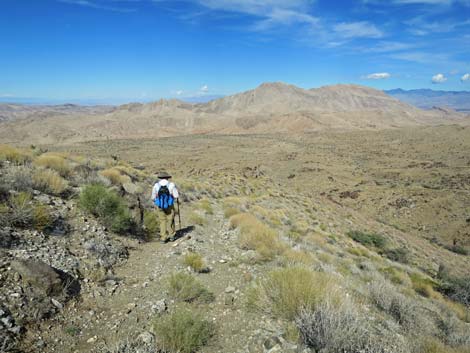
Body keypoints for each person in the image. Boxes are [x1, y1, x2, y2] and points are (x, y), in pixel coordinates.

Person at [151, 171, 179, 243]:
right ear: (167, 178)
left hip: (159, 205)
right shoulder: (171, 185)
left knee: (162, 221)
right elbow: (176, 196)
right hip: (169, 205)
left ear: (160, 178)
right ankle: (172, 236)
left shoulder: (156, 185)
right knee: (170, 219)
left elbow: (153, 197)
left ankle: (163, 238)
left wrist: (156, 202)